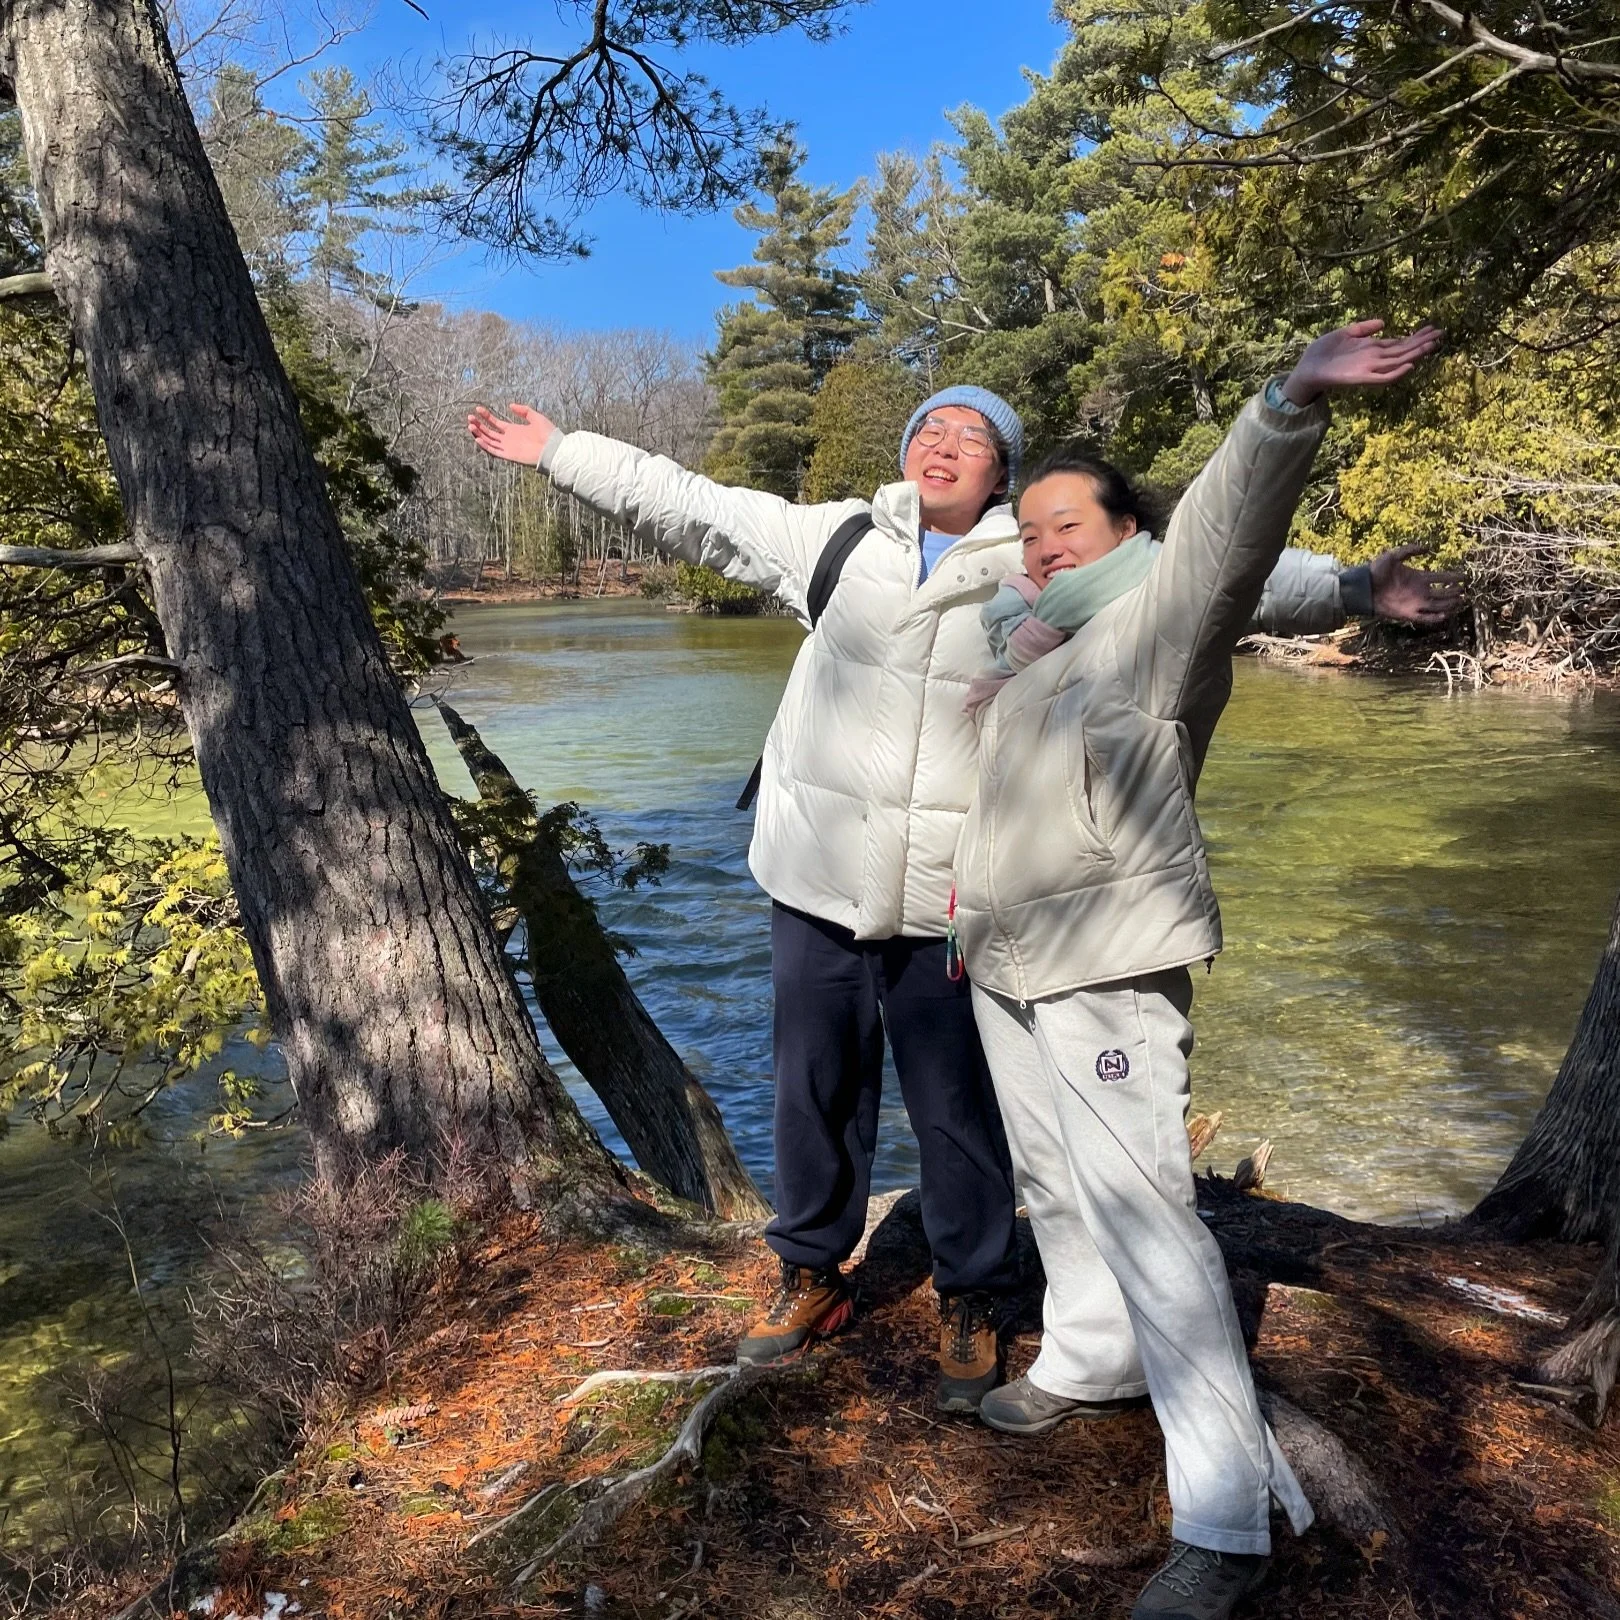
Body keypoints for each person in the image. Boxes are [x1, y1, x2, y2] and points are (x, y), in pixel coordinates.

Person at [467, 376, 1462, 1414]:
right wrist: (561, 451)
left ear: (1001, 473)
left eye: (972, 438)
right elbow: (686, 502)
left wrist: (1352, 588)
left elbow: (1203, 576)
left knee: (959, 1106)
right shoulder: (835, 539)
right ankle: (811, 1272)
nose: (943, 446)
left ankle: (974, 1292)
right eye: (930, 429)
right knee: (813, 1089)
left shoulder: (1035, 564)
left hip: (952, 890)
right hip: (815, 874)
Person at [950, 320, 1444, 1619]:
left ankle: (1224, 1518)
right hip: (1004, 956)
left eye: (1066, 525)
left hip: (1109, 960)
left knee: (1149, 1217)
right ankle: (1090, 1357)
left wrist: (1286, 403)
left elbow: (1230, 541)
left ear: (1128, 534)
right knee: (1055, 1183)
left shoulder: (1157, 626)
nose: (1042, 547)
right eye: (1028, 532)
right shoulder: (1029, 654)